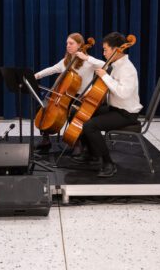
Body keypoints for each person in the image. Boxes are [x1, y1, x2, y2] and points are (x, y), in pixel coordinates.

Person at [77, 32, 142, 178]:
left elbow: (123, 93)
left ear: (116, 50)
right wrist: (91, 94)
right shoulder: (115, 65)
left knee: (90, 126)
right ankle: (93, 154)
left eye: (106, 49)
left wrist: (105, 76)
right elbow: (108, 89)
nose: (103, 53)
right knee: (84, 113)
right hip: (115, 108)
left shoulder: (127, 69)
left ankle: (108, 164)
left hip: (126, 113)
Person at [34, 33, 105, 153]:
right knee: (42, 107)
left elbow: (104, 65)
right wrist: (36, 75)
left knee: (73, 111)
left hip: (82, 97)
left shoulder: (88, 62)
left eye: (71, 43)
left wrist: (86, 58)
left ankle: (78, 143)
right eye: (67, 43)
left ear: (80, 45)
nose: (68, 45)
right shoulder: (65, 61)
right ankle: (45, 140)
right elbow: (52, 69)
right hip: (66, 96)